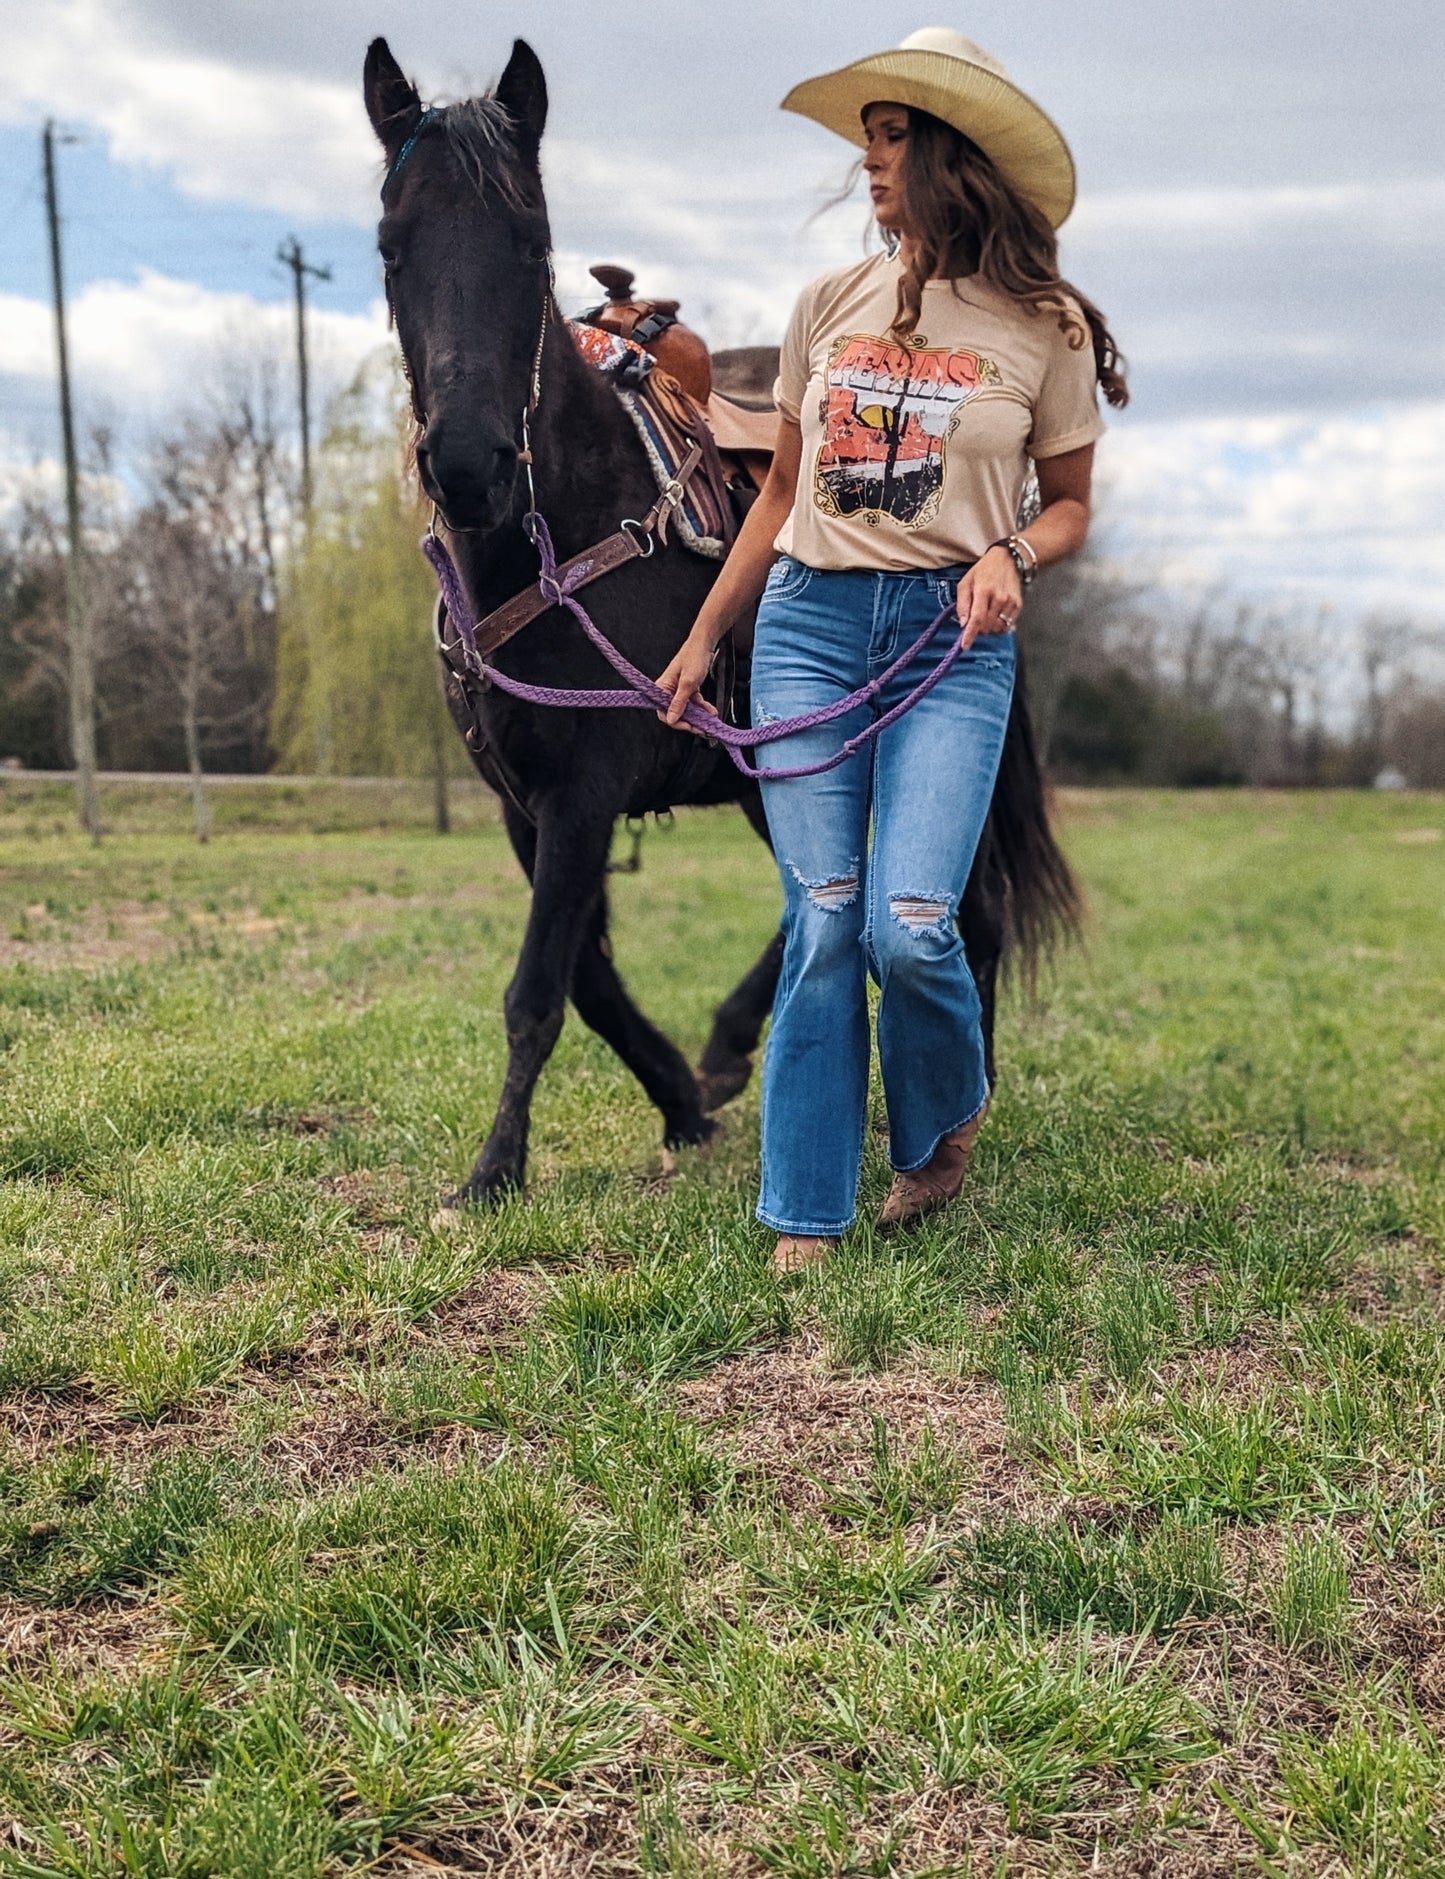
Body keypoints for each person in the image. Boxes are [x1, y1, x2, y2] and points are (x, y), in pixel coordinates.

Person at [656, 28, 1128, 1273]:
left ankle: (941, 1119)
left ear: (953, 154)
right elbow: (777, 499)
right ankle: (803, 1210)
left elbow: (1071, 502)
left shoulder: (1045, 328)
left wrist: (1011, 555)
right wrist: (707, 639)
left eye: (892, 136)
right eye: (867, 138)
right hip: (809, 625)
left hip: (948, 645)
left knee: (910, 923)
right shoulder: (825, 306)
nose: (869, 163)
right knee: (819, 918)